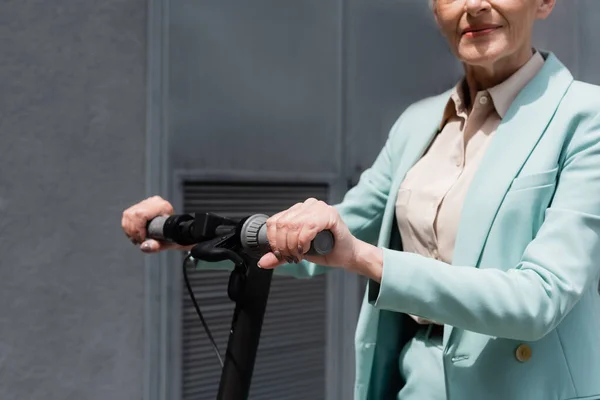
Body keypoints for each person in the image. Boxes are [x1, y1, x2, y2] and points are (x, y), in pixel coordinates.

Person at [122, 0, 600, 398]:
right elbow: (334, 230)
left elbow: (540, 297)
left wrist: (369, 260)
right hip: (416, 386)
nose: (474, 5)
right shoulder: (418, 121)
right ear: (434, 10)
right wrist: (193, 232)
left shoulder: (585, 117)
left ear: (544, 2)